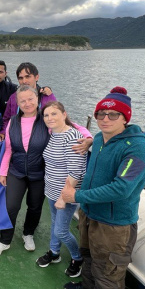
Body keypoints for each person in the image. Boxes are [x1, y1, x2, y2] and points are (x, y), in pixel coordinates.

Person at [60, 87, 145, 289]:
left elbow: (122, 188)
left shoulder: (137, 148)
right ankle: (88, 286)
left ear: (125, 118)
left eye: (113, 115)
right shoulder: (100, 138)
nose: (105, 119)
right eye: (101, 114)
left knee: (109, 268)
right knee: (89, 254)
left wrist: (77, 195)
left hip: (114, 223)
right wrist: (91, 141)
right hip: (90, 214)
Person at [0, 85, 48, 257]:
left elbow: (72, 126)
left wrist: (88, 138)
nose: (27, 103)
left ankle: (28, 234)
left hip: (39, 172)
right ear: (17, 103)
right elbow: (8, 150)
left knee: (35, 206)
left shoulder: (47, 118)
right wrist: (3, 172)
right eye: (22, 101)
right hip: (17, 171)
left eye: (30, 99)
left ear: (37, 98)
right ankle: (5, 240)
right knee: (10, 206)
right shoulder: (13, 122)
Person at [37, 101, 88, 277]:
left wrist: (63, 198)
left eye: (54, 114)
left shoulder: (72, 137)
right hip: (52, 189)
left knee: (61, 230)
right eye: (46, 115)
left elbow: (76, 171)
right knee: (54, 222)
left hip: (65, 194)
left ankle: (77, 258)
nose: (49, 118)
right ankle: (54, 252)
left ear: (64, 115)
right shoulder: (54, 134)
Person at [0, 62, 93, 154]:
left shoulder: (46, 97)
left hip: (42, 147)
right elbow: (7, 119)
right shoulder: (14, 98)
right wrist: (3, 132)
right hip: (20, 147)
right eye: (20, 78)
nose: (24, 81)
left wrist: (88, 137)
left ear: (36, 77)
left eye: (28, 76)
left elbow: (63, 121)